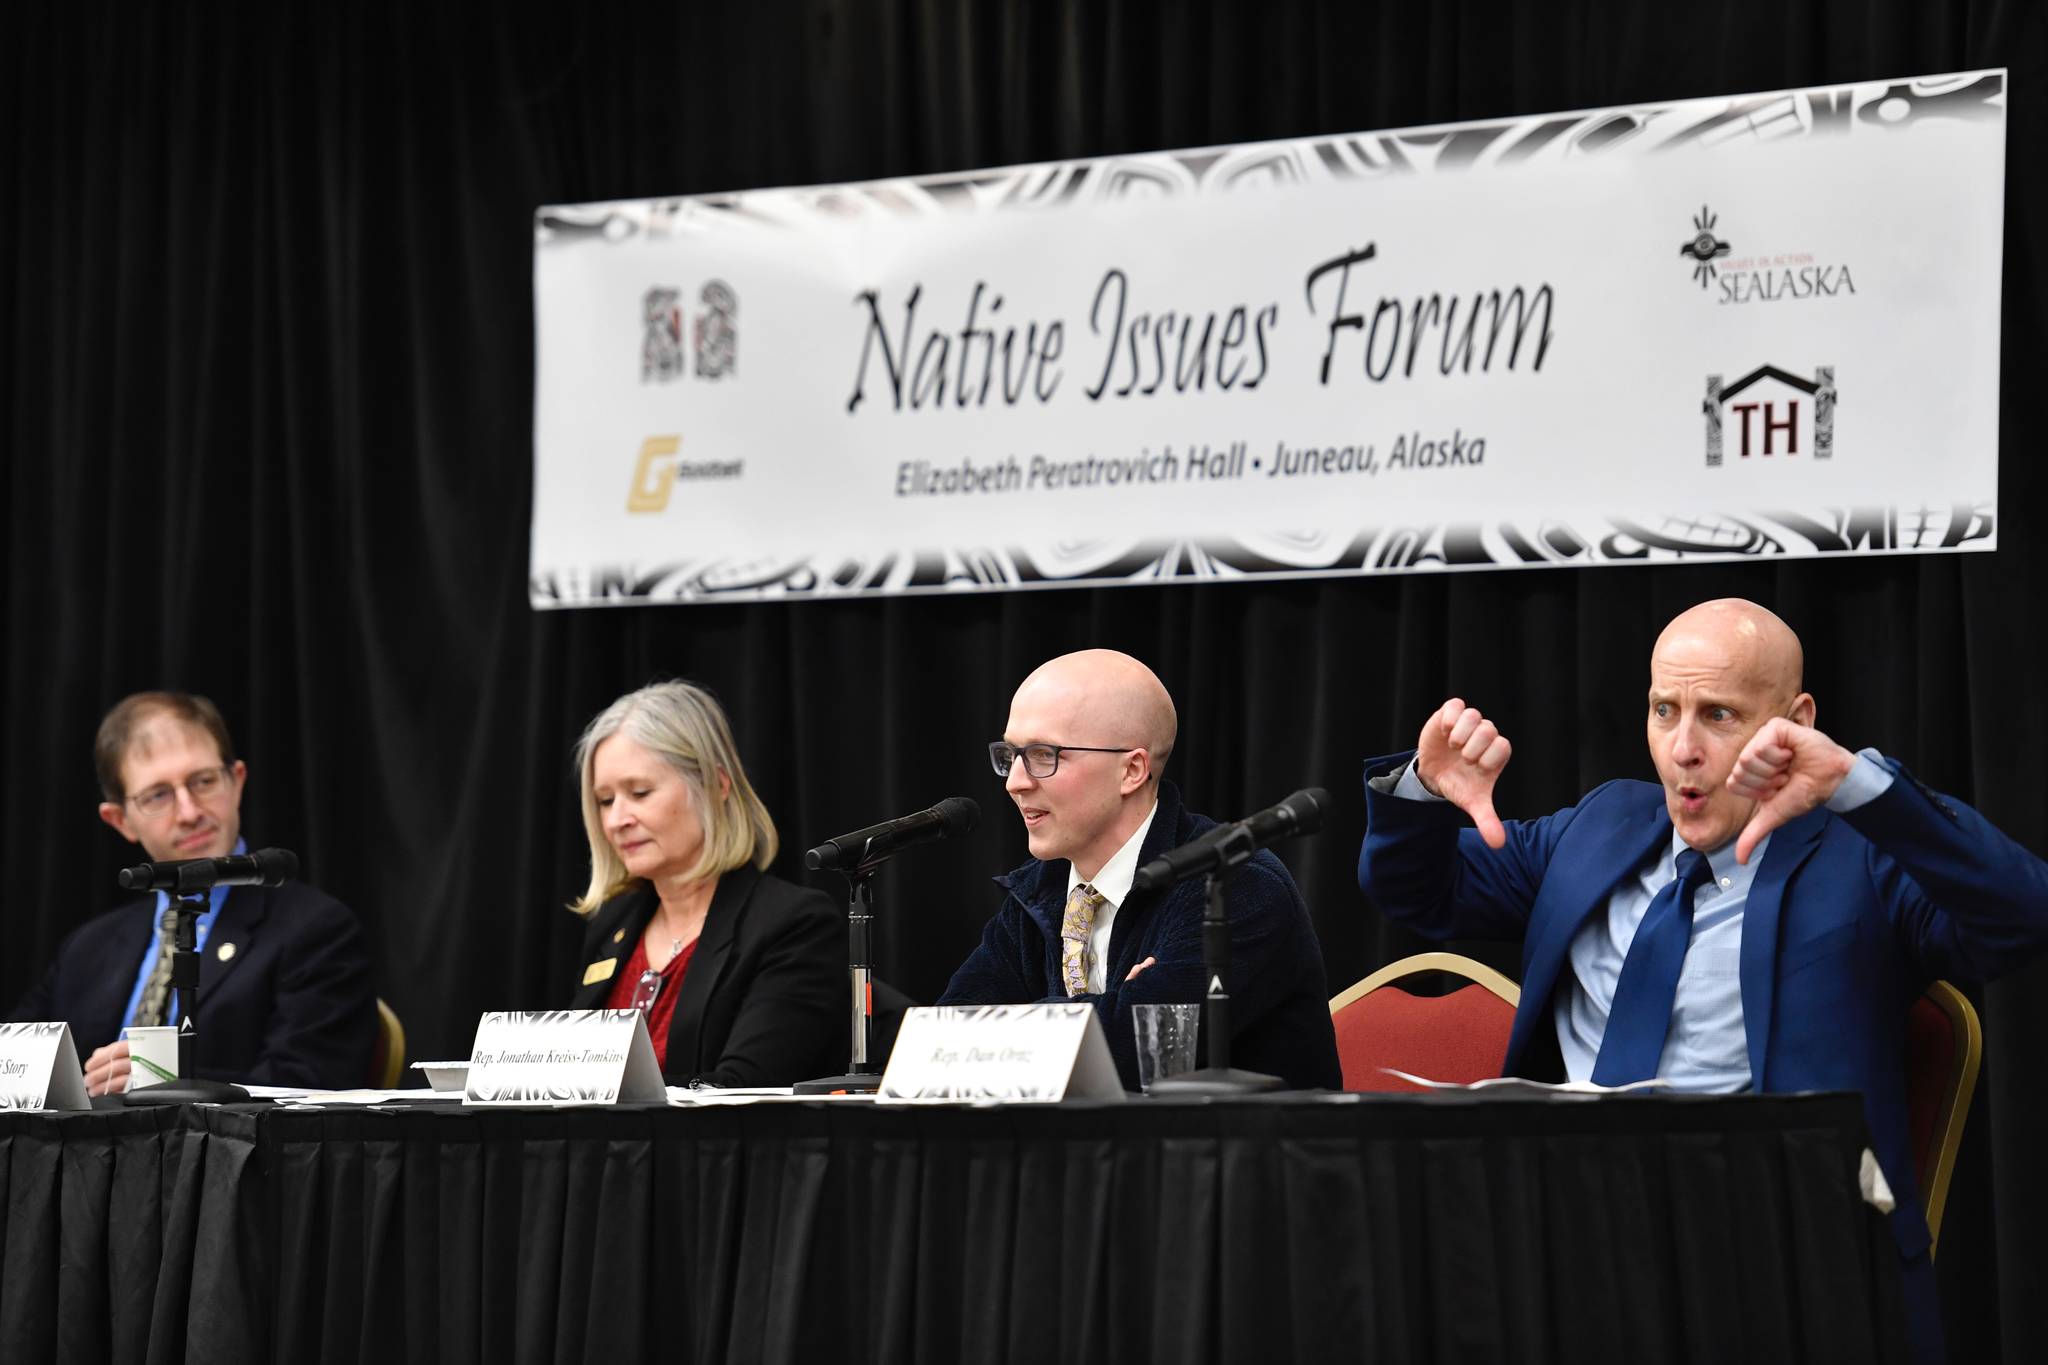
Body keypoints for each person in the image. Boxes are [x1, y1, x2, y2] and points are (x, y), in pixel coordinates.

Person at [1357, 598, 2048, 1363]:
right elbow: (1420, 891)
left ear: (1796, 718)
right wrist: (1424, 788)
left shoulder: (1864, 857)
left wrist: (1863, 787)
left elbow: (2020, 917)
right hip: (1572, 1242)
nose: (1683, 748)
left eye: (1718, 714)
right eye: (1664, 709)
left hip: (1773, 1263)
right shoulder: (1600, 825)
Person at [940, 649, 1340, 1090]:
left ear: (1132, 770)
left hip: (1236, 1155)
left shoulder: (1233, 883)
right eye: (1011, 754)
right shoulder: (1040, 890)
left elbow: (1138, 1059)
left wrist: (1019, 1022)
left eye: (1043, 754)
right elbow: (949, 1037)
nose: (1015, 781)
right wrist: (1110, 1007)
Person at [7, 691, 376, 1094]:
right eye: (158, 796)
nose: (189, 812)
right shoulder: (87, 949)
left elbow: (313, 1087)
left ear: (236, 782)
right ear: (120, 821)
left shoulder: (315, 931)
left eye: (203, 782)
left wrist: (160, 1081)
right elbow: (14, 1067)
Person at [565, 680, 843, 1087]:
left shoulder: (793, 924)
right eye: (605, 801)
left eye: (640, 792)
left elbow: (741, 1088)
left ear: (717, 785)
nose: (616, 819)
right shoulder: (612, 925)